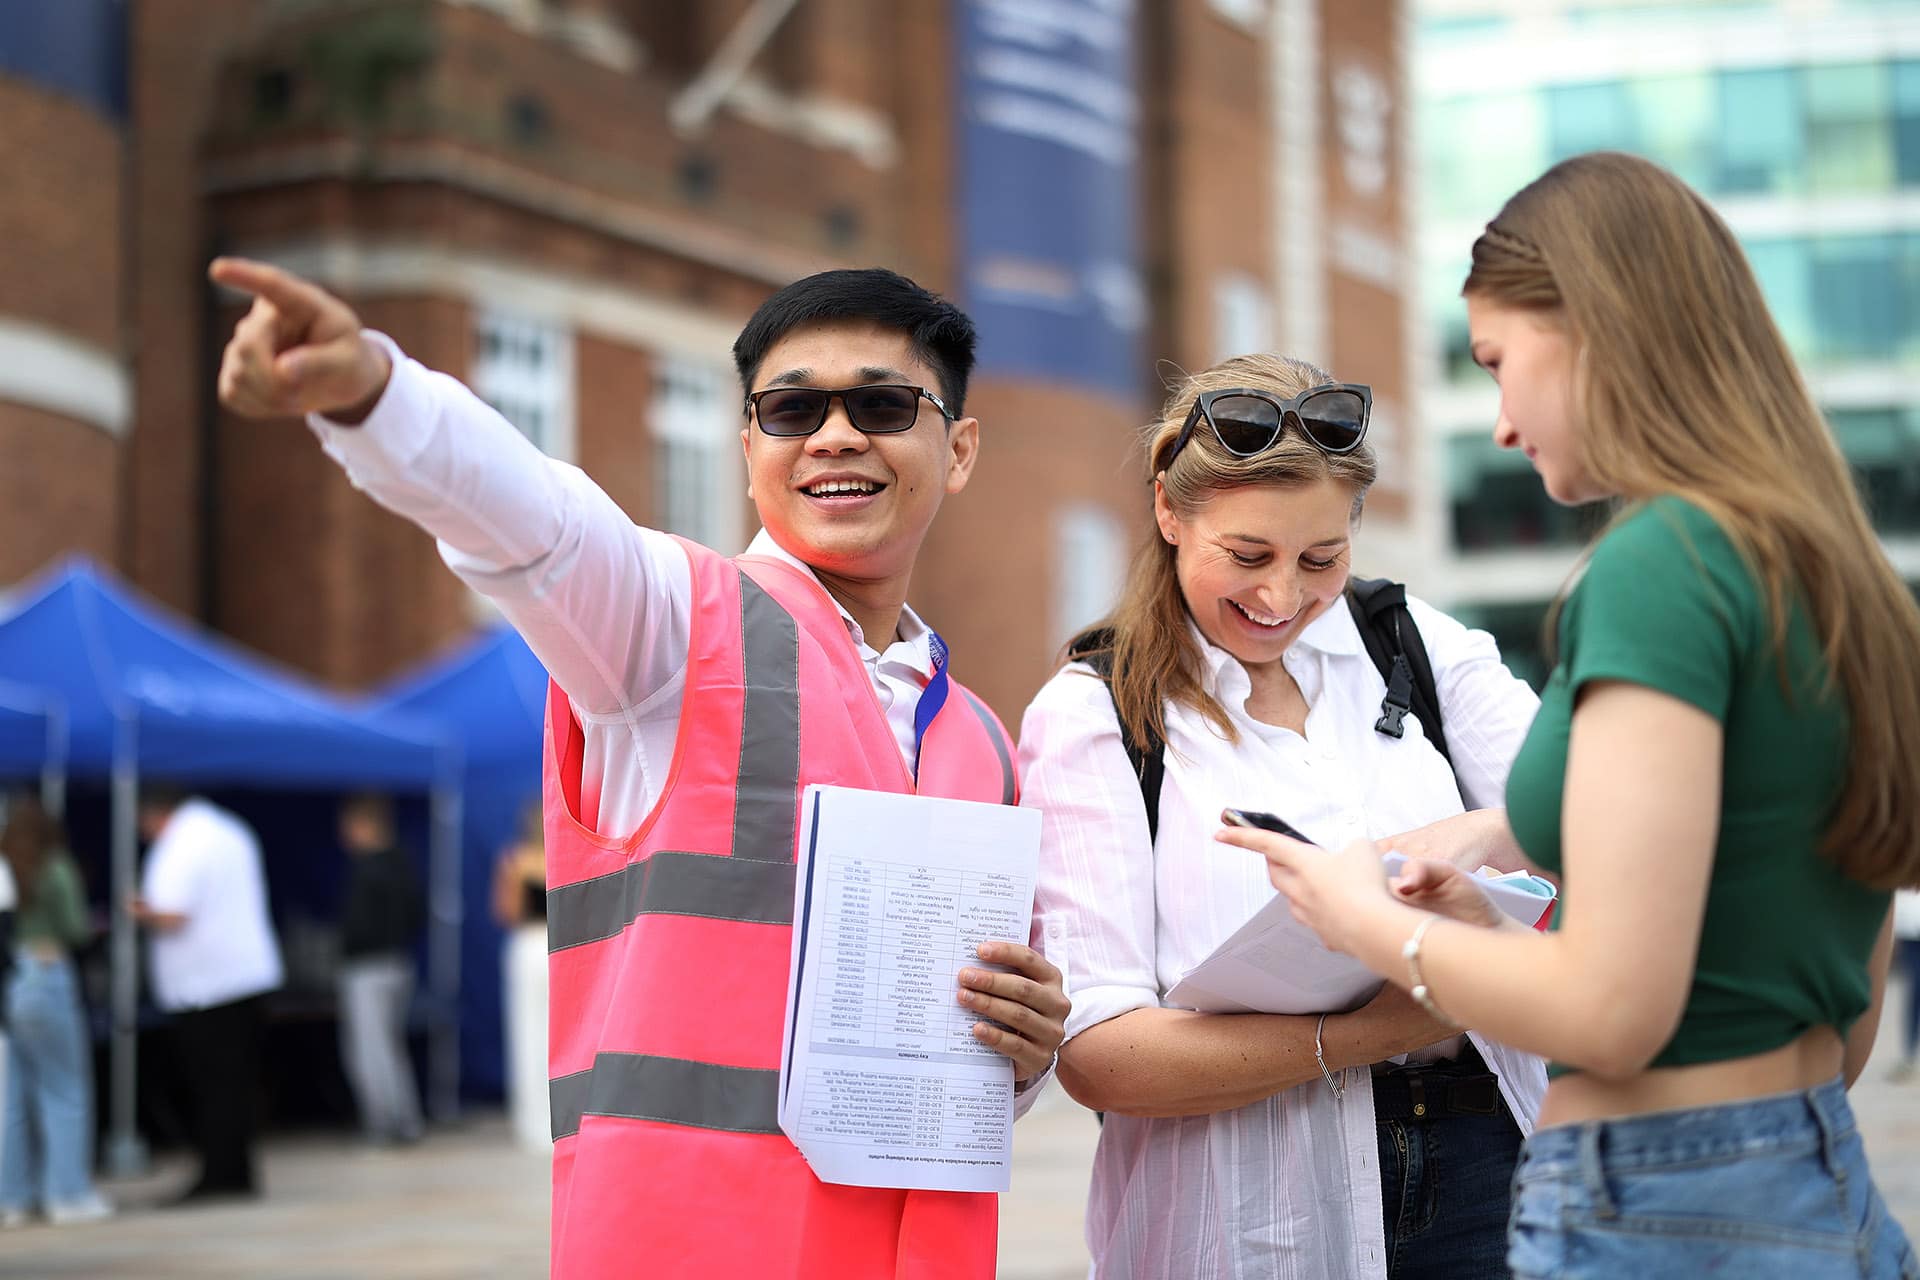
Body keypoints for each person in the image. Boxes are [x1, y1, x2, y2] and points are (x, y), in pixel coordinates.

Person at [209, 257, 1070, 1279]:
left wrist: (1023, 1049)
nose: (836, 434)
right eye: (793, 409)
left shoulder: (981, 739)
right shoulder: (671, 629)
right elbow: (535, 527)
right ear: (749, 446)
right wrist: (372, 393)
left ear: (958, 446)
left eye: (882, 403)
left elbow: (961, 1058)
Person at [1228, 151, 1920, 1278]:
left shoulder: (1663, 563)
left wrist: (1364, 919)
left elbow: (1614, 1014)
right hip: (1808, 1172)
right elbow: (1827, 1030)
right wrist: (1485, 926)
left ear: (1591, 323)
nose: (1500, 422)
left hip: (1658, 1208)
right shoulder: (1836, 577)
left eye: (1499, 361)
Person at [1018, 353, 1547, 1279]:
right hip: (1248, 1209)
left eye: (1322, 559)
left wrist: (1467, 838)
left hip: (1490, 1169)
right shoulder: (1094, 713)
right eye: (1248, 556)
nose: (1282, 598)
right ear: (1169, 512)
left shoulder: (1411, 642)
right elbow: (1100, 1056)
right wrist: (1378, 1031)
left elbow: (1595, 793)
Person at [130, 787, 284, 1203]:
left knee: (211, 1085)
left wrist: (136, 911)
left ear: (156, 814)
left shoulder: (184, 843)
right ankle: (236, 1171)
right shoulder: (229, 830)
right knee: (235, 1084)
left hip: (208, 983)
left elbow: (175, 912)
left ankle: (219, 1175)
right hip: (243, 975)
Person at [0, 793, 112, 1227]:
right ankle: (67, 1193)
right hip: (46, 972)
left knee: (12, 1098)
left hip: (8, 977)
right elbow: (75, 928)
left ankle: (12, 1197)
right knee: (65, 1090)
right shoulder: (56, 866)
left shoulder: (6, 866)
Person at [335, 793, 425, 1145]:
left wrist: (348, 946)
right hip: (398, 963)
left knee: (370, 1049)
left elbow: (356, 924)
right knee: (390, 1047)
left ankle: (384, 1125)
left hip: (369, 966)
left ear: (363, 825)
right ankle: (405, 1121)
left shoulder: (367, 869)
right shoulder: (403, 863)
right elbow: (416, 915)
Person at [491, 802, 548, 1151]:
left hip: (529, 945)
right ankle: (543, 1121)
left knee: (529, 1034)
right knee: (549, 1033)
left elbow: (506, 912)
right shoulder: (561, 856)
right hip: (552, 944)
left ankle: (534, 1122)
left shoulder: (514, 861)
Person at [1888, 890, 1920, 1081]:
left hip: (1907, 923)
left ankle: (1909, 1056)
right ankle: (1909, 1055)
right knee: (1915, 991)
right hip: (1909, 928)